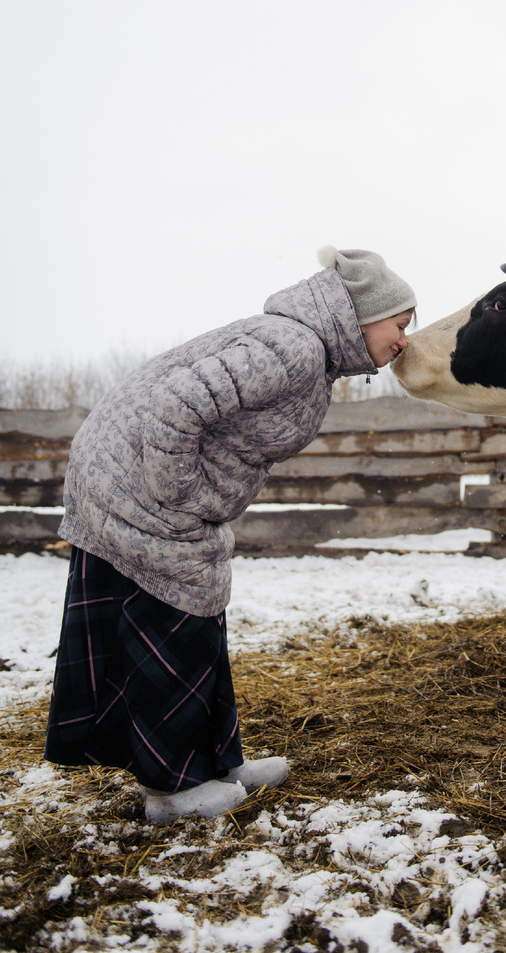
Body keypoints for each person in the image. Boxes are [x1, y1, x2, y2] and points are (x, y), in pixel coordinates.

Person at [45, 247, 416, 824]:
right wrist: (182, 492)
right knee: (175, 615)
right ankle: (169, 789)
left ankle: (217, 762)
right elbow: (175, 405)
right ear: (360, 315)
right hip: (130, 479)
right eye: (400, 323)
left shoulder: (306, 353)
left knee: (202, 607)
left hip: (134, 475)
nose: (404, 340)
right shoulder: (292, 347)